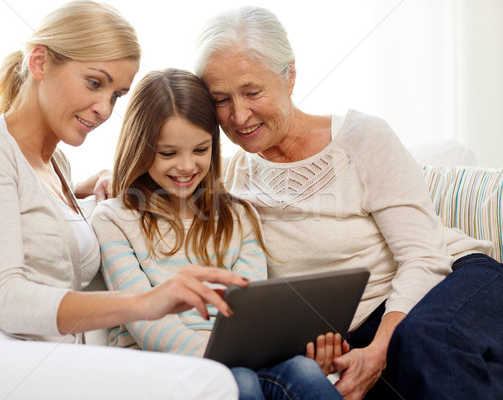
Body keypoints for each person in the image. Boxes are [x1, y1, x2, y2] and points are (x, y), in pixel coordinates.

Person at [0, 2, 249, 399]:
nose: (104, 109)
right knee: (208, 381)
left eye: (117, 94)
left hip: (28, 353)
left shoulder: (59, 168)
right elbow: (3, 297)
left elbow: (41, 225)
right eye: (94, 83)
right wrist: (145, 301)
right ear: (39, 62)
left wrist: (93, 189)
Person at [193, 5, 500, 400]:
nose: (238, 115)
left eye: (252, 92)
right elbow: (165, 165)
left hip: (451, 281)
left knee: (423, 341)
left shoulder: (362, 138)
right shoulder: (230, 177)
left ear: (289, 77)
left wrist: (379, 351)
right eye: (220, 99)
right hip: (362, 328)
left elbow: (424, 258)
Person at [90, 68, 344, 400]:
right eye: (168, 153)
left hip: (239, 359)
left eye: (200, 150)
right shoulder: (114, 219)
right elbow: (145, 321)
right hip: (158, 367)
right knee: (239, 381)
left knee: (304, 371)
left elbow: (248, 311)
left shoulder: (238, 216)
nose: (186, 166)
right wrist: (222, 359)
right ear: (140, 147)